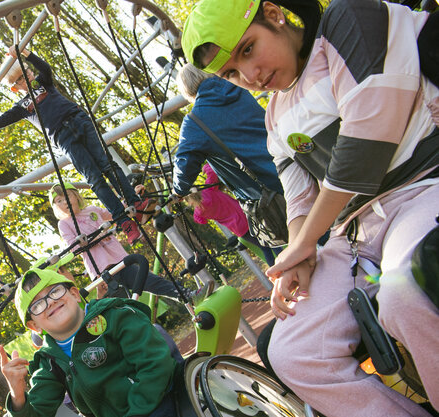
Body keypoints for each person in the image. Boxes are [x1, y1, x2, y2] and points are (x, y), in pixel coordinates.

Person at [181, 1, 439, 416]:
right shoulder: (275, 118)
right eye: (230, 73)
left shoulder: (348, 22)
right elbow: (298, 197)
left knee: (405, 294)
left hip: (423, 186)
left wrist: (302, 244)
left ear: (274, 14)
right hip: (356, 232)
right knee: (292, 352)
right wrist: (300, 253)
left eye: (247, 49)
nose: (250, 77)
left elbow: (366, 144)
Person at [0, 47, 154, 245]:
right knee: (95, 178)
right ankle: (124, 221)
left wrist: (25, 53)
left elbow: (45, 68)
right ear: (14, 88)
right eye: (20, 79)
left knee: (107, 165)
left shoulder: (43, 83)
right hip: (62, 137)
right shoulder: (21, 108)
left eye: (26, 71)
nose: (27, 77)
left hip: (79, 121)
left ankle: (135, 202)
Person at [0, 267, 179, 416]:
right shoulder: (49, 362)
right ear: (34, 326)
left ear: (75, 294)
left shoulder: (116, 316)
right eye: (37, 305)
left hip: (162, 403)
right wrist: (17, 395)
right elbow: (38, 413)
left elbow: (155, 365)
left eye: (54, 291)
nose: (50, 302)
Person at [49, 183, 185, 301]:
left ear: (76, 196)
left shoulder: (92, 210)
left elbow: (116, 213)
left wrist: (133, 197)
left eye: (67, 196)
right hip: (102, 272)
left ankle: (185, 294)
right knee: (123, 305)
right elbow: (73, 248)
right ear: (56, 207)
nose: (65, 202)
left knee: (150, 281)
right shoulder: (64, 224)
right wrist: (99, 236)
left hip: (121, 260)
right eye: (59, 201)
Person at [172, 63, 282, 203]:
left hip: (269, 187)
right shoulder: (238, 87)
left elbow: (185, 166)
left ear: (187, 90)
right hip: (290, 157)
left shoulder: (195, 121)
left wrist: (177, 191)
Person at [184, 164, 280, 266]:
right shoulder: (209, 190)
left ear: (190, 202)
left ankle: (276, 272)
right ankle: (289, 263)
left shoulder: (198, 212)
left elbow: (202, 221)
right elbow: (212, 172)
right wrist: (205, 167)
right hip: (247, 218)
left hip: (239, 230)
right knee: (272, 243)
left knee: (265, 249)